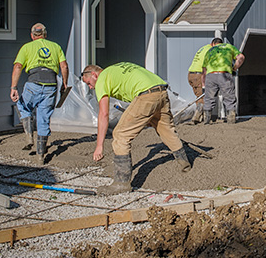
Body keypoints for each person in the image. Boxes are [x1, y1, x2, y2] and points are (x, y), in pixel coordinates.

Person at [81, 62, 191, 195]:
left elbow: (103, 114)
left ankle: (121, 183)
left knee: (120, 135)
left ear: (94, 74)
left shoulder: (102, 79)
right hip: (161, 91)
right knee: (166, 130)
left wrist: (99, 145)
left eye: (88, 83)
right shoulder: (115, 69)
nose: (91, 87)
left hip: (145, 95)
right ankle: (185, 165)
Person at [11, 23, 69, 164]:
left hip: (34, 83)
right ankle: (40, 156)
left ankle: (29, 135)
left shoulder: (27, 47)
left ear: (32, 35)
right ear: (45, 34)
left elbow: (18, 66)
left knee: (22, 105)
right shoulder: (55, 47)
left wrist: (13, 87)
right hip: (51, 85)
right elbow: (64, 66)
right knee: (44, 119)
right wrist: (65, 84)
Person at [202, 38, 245, 125]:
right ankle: (231, 120)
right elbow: (241, 57)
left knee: (208, 98)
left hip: (211, 75)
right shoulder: (229, 47)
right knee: (229, 97)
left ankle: (206, 121)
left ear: (213, 44)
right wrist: (234, 68)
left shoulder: (210, 51)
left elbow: (204, 69)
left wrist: (204, 85)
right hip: (224, 74)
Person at [188, 43, 212, 124]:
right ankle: (196, 118)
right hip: (198, 75)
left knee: (199, 96)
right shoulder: (210, 50)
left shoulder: (203, 48)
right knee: (202, 96)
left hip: (191, 74)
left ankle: (201, 117)